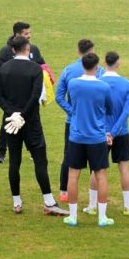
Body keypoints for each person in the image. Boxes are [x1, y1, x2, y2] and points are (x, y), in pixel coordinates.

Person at [0, 36, 67, 216]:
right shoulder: (35, 69)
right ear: (27, 49)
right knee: (40, 160)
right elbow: (35, 96)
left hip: (11, 123)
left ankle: (17, 202)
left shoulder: (4, 68)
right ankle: (49, 201)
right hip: (31, 122)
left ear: (13, 50)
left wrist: (12, 113)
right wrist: (23, 115)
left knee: (15, 161)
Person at [63, 53, 114, 227]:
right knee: (101, 175)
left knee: (73, 175)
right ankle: (102, 217)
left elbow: (71, 102)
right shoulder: (104, 87)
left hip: (77, 136)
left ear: (82, 64)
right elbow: (110, 109)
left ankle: (72, 216)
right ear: (97, 67)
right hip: (96, 137)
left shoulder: (73, 84)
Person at [0, 21, 52, 164]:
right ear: (17, 34)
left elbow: (42, 65)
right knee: (7, 123)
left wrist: (47, 74)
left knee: (33, 123)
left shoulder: (34, 49)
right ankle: (2, 152)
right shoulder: (5, 51)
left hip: (30, 96)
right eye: (26, 33)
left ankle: (34, 151)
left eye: (30, 33)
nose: (29, 36)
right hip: (12, 98)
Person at [85, 51, 129, 216]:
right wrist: (113, 133)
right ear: (118, 63)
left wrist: (106, 132)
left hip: (99, 133)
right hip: (121, 132)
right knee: (124, 168)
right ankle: (127, 206)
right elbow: (125, 113)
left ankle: (92, 206)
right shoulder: (127, 85)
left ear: (104, 63)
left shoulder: (97, 83)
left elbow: (94, 111)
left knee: (96, 170)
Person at [56, 39, 105, 202]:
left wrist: (72, 112)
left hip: (73, 123)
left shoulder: (68, 70)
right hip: (94, 124)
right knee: (97, 162)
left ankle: (64, 191)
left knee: (68, 156)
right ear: (92, 52)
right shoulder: (100, 71)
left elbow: (59, 97)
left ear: (78, 52)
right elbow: (105, 96)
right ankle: (96, 197)